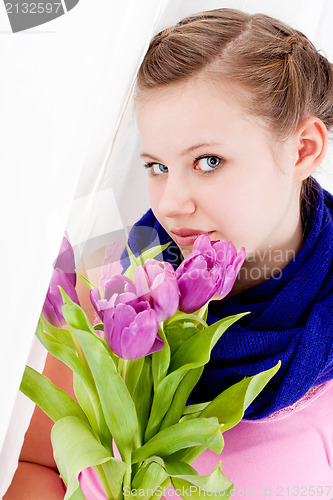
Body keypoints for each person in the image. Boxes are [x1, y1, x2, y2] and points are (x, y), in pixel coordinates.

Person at [5, 7, 333, 499]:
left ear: (303, 149)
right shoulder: (107, 283)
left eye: (208, 161)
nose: (171, 205)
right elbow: (32, 465)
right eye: (157, 166)